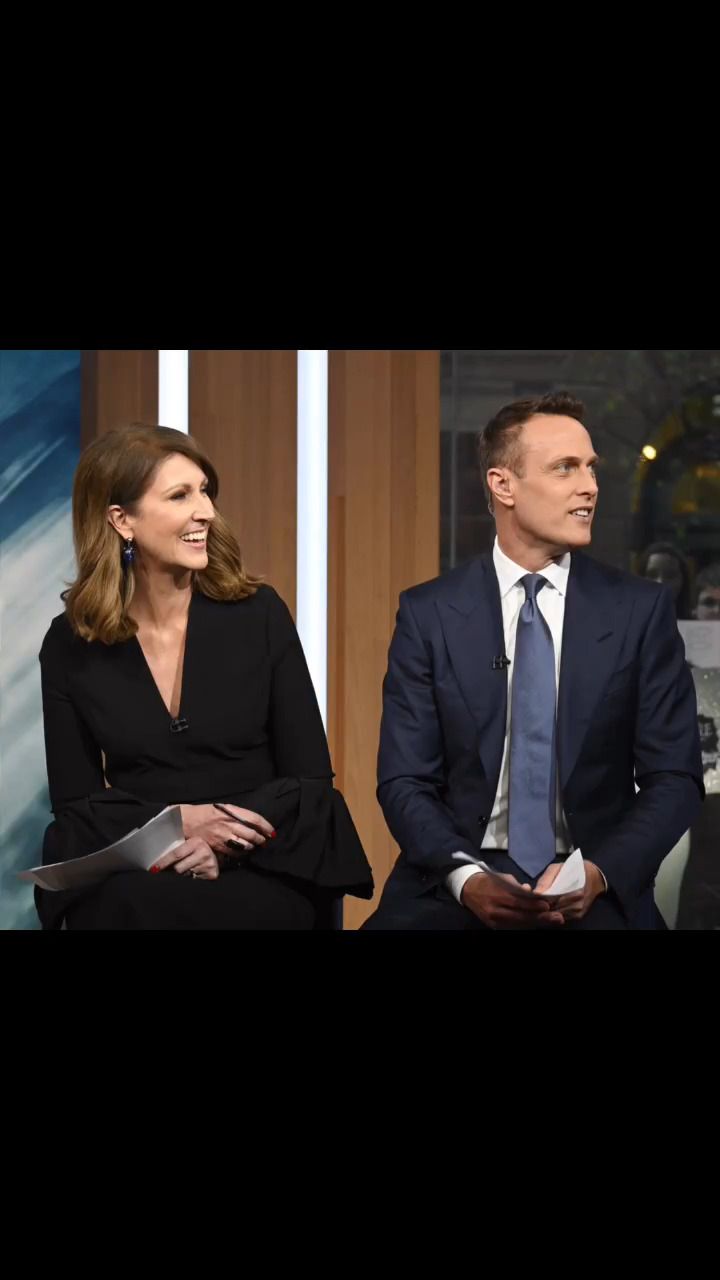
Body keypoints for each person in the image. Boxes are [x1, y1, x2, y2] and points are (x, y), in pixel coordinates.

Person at [362, 391, 703, 930]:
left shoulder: (640, 612)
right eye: (565, 468)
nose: (589, 486)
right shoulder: (429, 614)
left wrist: (598, 872)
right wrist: (467, 878)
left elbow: (675, 778)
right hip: (456, 881)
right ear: (503, 485)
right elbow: (405, 782)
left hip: (594, 879)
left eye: (591, 468)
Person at [37, 424, 373, 930]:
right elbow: (77, 807)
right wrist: (174, 829)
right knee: (128, 905)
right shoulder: (70, 644)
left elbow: (308, 781)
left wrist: (221, 840)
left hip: (262, 855)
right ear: (121, 520)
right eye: (180, 496)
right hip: (143, 865)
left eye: (205, 491)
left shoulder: (258, 614)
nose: (207, 512)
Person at [637, 541, 692, 620]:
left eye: (670, 575)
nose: (660, 582)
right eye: (652, 575)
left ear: (682, 580)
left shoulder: (699, 625)